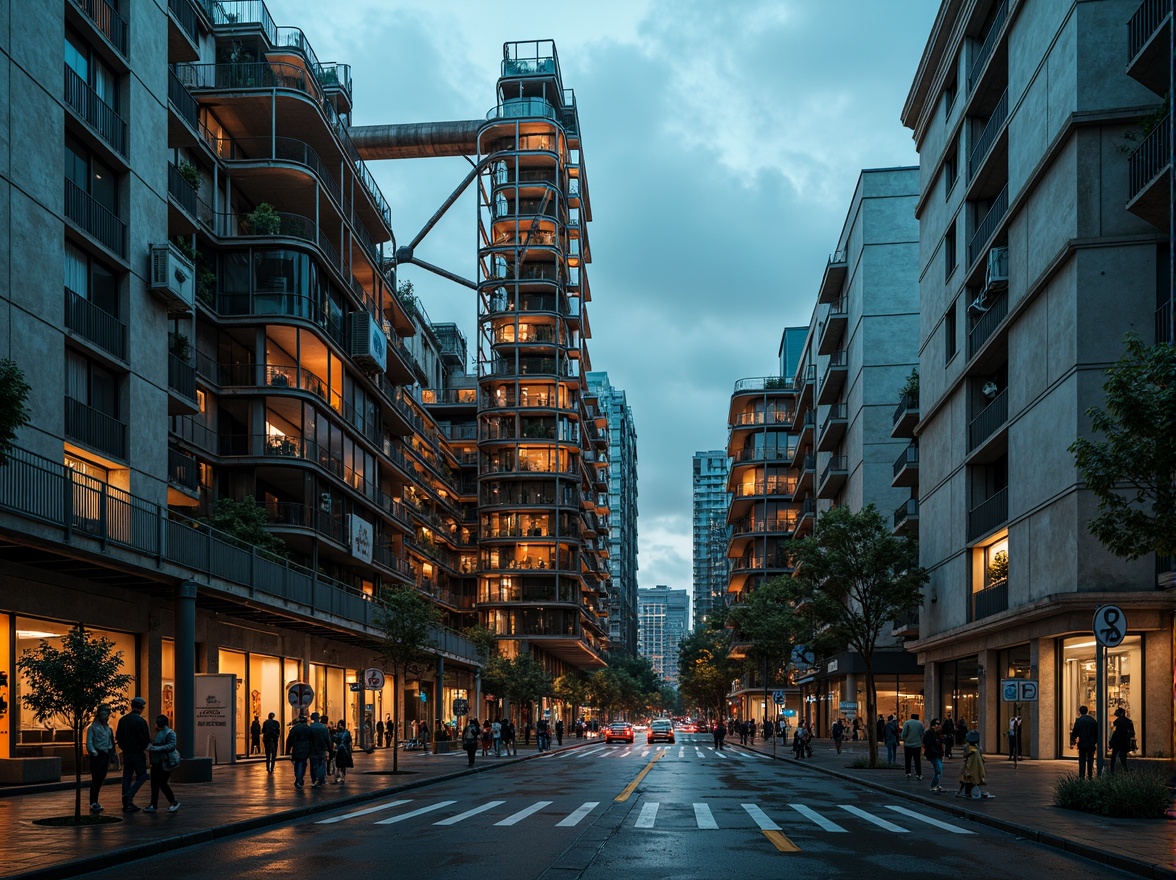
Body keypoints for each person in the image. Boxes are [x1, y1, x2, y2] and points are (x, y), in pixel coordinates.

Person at [116, 696, 151, 812]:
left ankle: (126, 802)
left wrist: (123, 747)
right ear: (141, 708)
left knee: (127, 777)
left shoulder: (123, 720)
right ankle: (129, 796)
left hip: (127, 753)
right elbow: (146, 738)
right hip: (137, 753)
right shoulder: (141, 721)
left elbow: (118, 737)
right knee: (142, 776)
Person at [144, 714, 180, 812]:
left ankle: (173, 802)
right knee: (154, 783)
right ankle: (153, 804)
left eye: (156, 722)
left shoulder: (170, 733)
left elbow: (171, 746)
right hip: (156, 762)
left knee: (162, 783)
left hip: (165, 762)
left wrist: (155, 748)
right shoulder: (159, 733)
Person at [86, 704, 116, 813]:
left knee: (101, 779)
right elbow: (89, 742)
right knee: (96, 780)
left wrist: (111, 753)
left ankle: (95, 801)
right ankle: (93, 802)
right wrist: (94, 753)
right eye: (102, 714)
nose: (105, 716)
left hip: (106, 755)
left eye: (106, 714)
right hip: (97, 755)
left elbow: (110, 742)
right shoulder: (92, 727)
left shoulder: (108, 728)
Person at [957, 729, 993, 798]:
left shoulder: (970, 749)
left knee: (966, 780)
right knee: (970, 781)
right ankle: (966, 792)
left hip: (969, 769)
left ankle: (964, 792)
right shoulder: (976, 751)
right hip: (972, 770)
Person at [1070, 704, 1098, 779]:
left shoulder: (1079, 720)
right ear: (1087, 711)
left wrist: (1073, 739)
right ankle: (1090, 775)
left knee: (1082, 760)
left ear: (1080, 712)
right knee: (1090, 759)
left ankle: (1081, 775)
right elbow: (1096, 732)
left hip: (1082, 743)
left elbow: (1075, 731)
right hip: (1091, 743)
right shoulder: (1093, 720)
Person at [286, 715, 312, 789]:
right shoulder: (308, 729)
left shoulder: (295, 729)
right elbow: (311, 740)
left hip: (296, 747)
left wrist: (287, 750)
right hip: (305, 748)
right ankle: (299, 778)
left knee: (297, 763)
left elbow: (289, 740)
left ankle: (298, 777)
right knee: (303, 764)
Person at [308, 712, 332, 787]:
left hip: (312, 748)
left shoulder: (310, 727)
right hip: (322, 747)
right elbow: (327, 739)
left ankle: (314, 779)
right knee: (321, 763)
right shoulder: (323, 728)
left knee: (313, 764)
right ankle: (321, 779)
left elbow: (308, 739)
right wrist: (329, 748)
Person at [1108, 707, 1135, 774]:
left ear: (1121, 713)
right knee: (1123, 758)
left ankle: (1112, 771)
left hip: (1117, 742)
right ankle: (1125, 770)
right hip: (1125, 742)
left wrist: (1111, 743)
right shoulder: (1129, 721)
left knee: (1114, 757)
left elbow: (1115, 733)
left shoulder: (1117, 722)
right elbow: (1132, 733)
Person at [901, 713, 925, 780]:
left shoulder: (907, 723)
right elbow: (922, 733)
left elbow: (904, 733)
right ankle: (918, 774)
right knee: (917, 760)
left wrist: (904, 738)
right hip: (917, 744)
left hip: (908, 744)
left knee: (908, 759)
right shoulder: (920, 724)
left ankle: (908, 772)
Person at [923, 718, 945, 793]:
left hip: (937, 754)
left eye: (939, 724)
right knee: (938, 770)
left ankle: (936, 785)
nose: (939, 726)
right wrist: (936, 752)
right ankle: (933, 785)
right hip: (934, 754)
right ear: (933, 726)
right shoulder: (929, 734)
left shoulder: (937, 733)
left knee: (939, 770)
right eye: (937, 724)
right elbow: (929, 745)